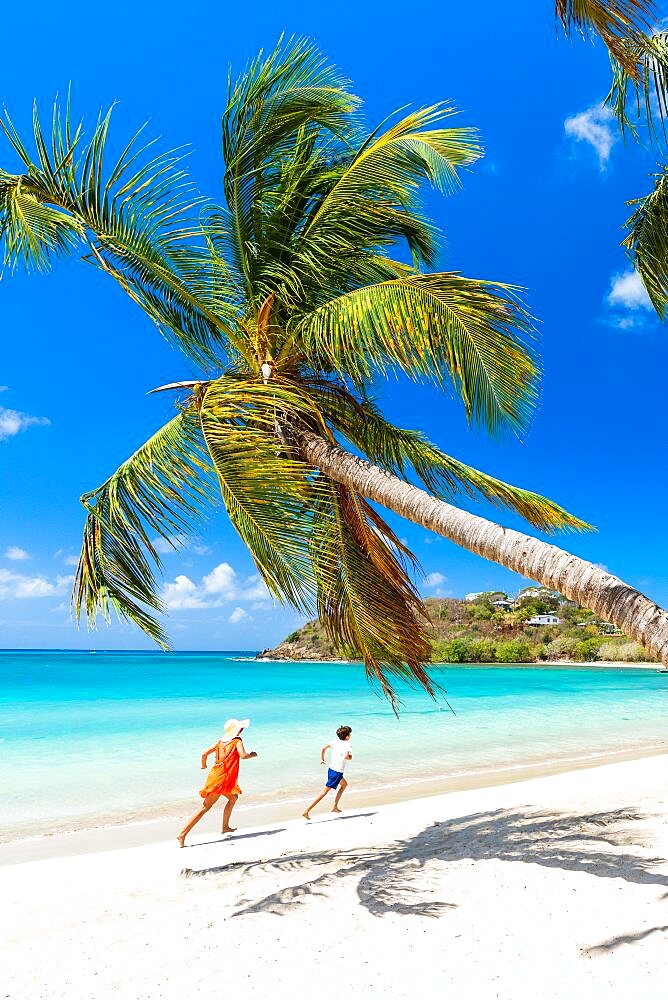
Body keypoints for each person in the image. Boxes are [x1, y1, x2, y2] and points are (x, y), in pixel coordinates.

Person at [177, 718, 257, 847]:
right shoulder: (237, 741)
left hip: (216, 776)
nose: (241, 731)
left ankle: (225, 827)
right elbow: (243, 755)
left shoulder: (220, 742)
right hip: (222, 779)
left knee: (233, 798)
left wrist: (203, 766)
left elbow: (204, 754)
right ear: (238, 730)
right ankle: (182, 834)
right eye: (241, 729)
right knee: (205, 807)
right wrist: (252, 755)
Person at [302, 725, 353, 820]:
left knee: (344, 785)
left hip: (331, 769)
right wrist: (350, 757)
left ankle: (335, 807)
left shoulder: (335, 741)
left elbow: (323, 748)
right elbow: (347, 757)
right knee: (324, 792)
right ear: (347, 736)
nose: (350, 735)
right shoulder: (348, 744)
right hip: (337, 772)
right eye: (350, 734)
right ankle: (306, 811)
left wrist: (322, 759)